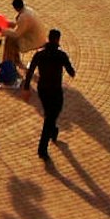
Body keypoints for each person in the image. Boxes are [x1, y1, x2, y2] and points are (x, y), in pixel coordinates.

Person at [22, 29, 76, 162]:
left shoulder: (39, 54)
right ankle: (42, 148)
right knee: (52, 115)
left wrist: (26, 87)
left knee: (49, 114)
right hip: (55, 89)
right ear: (58, 40)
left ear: (48, 38)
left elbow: (30, 71)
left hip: (43, 89)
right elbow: (71, 72)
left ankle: (53, 130)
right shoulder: (61, 55)